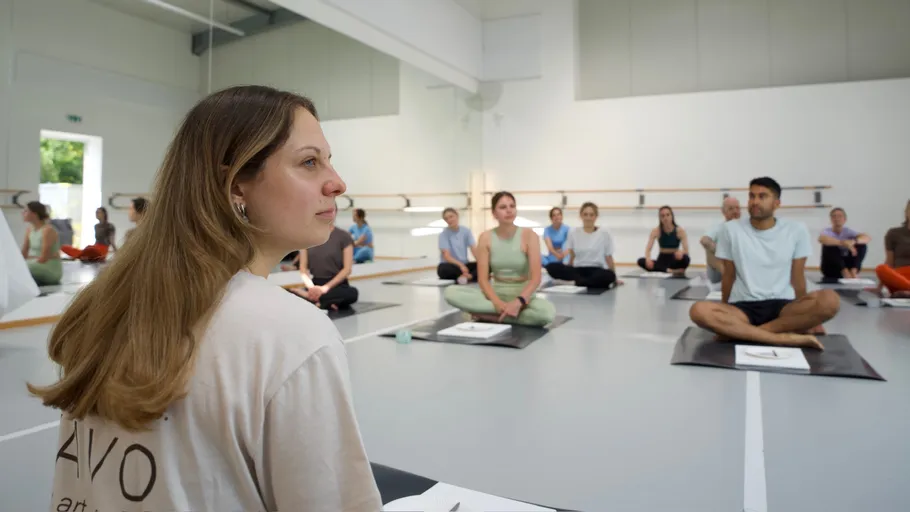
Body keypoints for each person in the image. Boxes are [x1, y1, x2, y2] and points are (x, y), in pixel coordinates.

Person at [26, 86, 381, 512]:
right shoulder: (293, 336)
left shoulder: (104, 306)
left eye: (328, 159)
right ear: (236, 187)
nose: (336, 182)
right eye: (309, 162)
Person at [689, 177, 840, 350]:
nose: (755, 201)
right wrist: (725, 311)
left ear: (777, 203)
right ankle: (782, 338)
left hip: (784, 307)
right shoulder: (730, 230)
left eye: (762, 196)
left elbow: (797, 277)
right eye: (751, 196)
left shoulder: (796, 230)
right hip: (742, 307)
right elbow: (728, 275)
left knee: (831, 300)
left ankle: (751, 333)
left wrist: (805, 315)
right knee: (698, 310)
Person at [444, 191, 556, 326]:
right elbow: (483, 280)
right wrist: (497, 304)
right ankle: (505, 314)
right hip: (495, 295)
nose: (509, 210)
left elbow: (536, 278)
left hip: (523, 296)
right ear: (494, 213)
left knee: (546, 313)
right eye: (503, 207)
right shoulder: (485, 237)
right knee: (450, 292)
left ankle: (490, 316)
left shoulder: (529, 235)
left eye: (512, 206)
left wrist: (518, 302)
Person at [545, 202, 621, 289]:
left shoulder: (604, 233)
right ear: (581, 216)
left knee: (609, 276)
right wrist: (567, 269)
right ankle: (583, 282)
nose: (588, 217)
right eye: (585, 214)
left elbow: (608, 257)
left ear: (596, 217)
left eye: (591, 215)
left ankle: (575, 283)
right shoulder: (573, 232)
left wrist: (615, 278)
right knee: (551, 266)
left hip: (596, 270)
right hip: (578, 270)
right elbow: (572, 255)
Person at [289, 226, 359, 310]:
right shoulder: (306, 237)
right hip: (315, 284)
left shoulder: (344, 236)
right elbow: (303, 269)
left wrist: (324, 288)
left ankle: (310, 297)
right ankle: (326, 302)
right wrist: (311, 288)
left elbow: (347, 269)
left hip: (337, 286)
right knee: (289, 293)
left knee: (353, 293)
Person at [637, 205, 690, 276]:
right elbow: (648, 249)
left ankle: (664, 269)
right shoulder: (655, 231)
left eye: (668, 215)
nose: (665, 218)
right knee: (641, 261)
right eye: (662, 216)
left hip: (674, 259)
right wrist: (648, 259)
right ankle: (670, 270)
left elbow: (686, 250)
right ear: (660, 218)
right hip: (662, 259)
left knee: (686, 258)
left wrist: (681, 252)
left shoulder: (680, 231)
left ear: (672, 216)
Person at [819, 207, 870, 280]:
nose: (837, 218)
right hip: (831, 268)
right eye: (834, 216)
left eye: (840, 216)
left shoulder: (848, 231)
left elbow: (867, 238)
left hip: (848, 265)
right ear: (831, 220)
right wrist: (843, 243)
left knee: (862, 245)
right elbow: (821, 239)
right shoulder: (826, 231)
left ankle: (854, 271)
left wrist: (853, 241)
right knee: (829, 245)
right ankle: (844, 271)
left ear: (845, 219)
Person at [20, 201, 63, 286]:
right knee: (16, 266)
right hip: (35, 264)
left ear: (34, 214)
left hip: (49, 268)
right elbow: (23, 255)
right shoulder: (29, 230)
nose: (23, 213)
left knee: (22, 267)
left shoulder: (48, 230)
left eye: (26, 211)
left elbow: (43, 258)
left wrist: (29, 259)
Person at [701, 197, 741, 283]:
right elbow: (704, 240)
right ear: (724, 212)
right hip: (719, 274)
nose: (735, 211)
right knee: (710, 251)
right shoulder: (719, 228)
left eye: (737, 208)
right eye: (731, 209)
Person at [875, 200, 910, 297]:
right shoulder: (894, 233)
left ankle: (906, 291)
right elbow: (889, 262)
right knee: (881, 269)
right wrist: (879, 287)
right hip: (899, 275)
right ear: (906, 212)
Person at [437, 207, 477, 282]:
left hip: (465, 264)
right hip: (451, 265)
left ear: (457, 216)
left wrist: (482, 263)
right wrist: (461, 265)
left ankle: (468, 276)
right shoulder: (443, 235)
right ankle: (469, 275)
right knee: (442, 269)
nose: (449, 220)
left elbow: (474, 249)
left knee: (486, 266)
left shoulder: (466, 231)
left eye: (451, 217)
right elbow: (447, 256)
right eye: (446, 219)